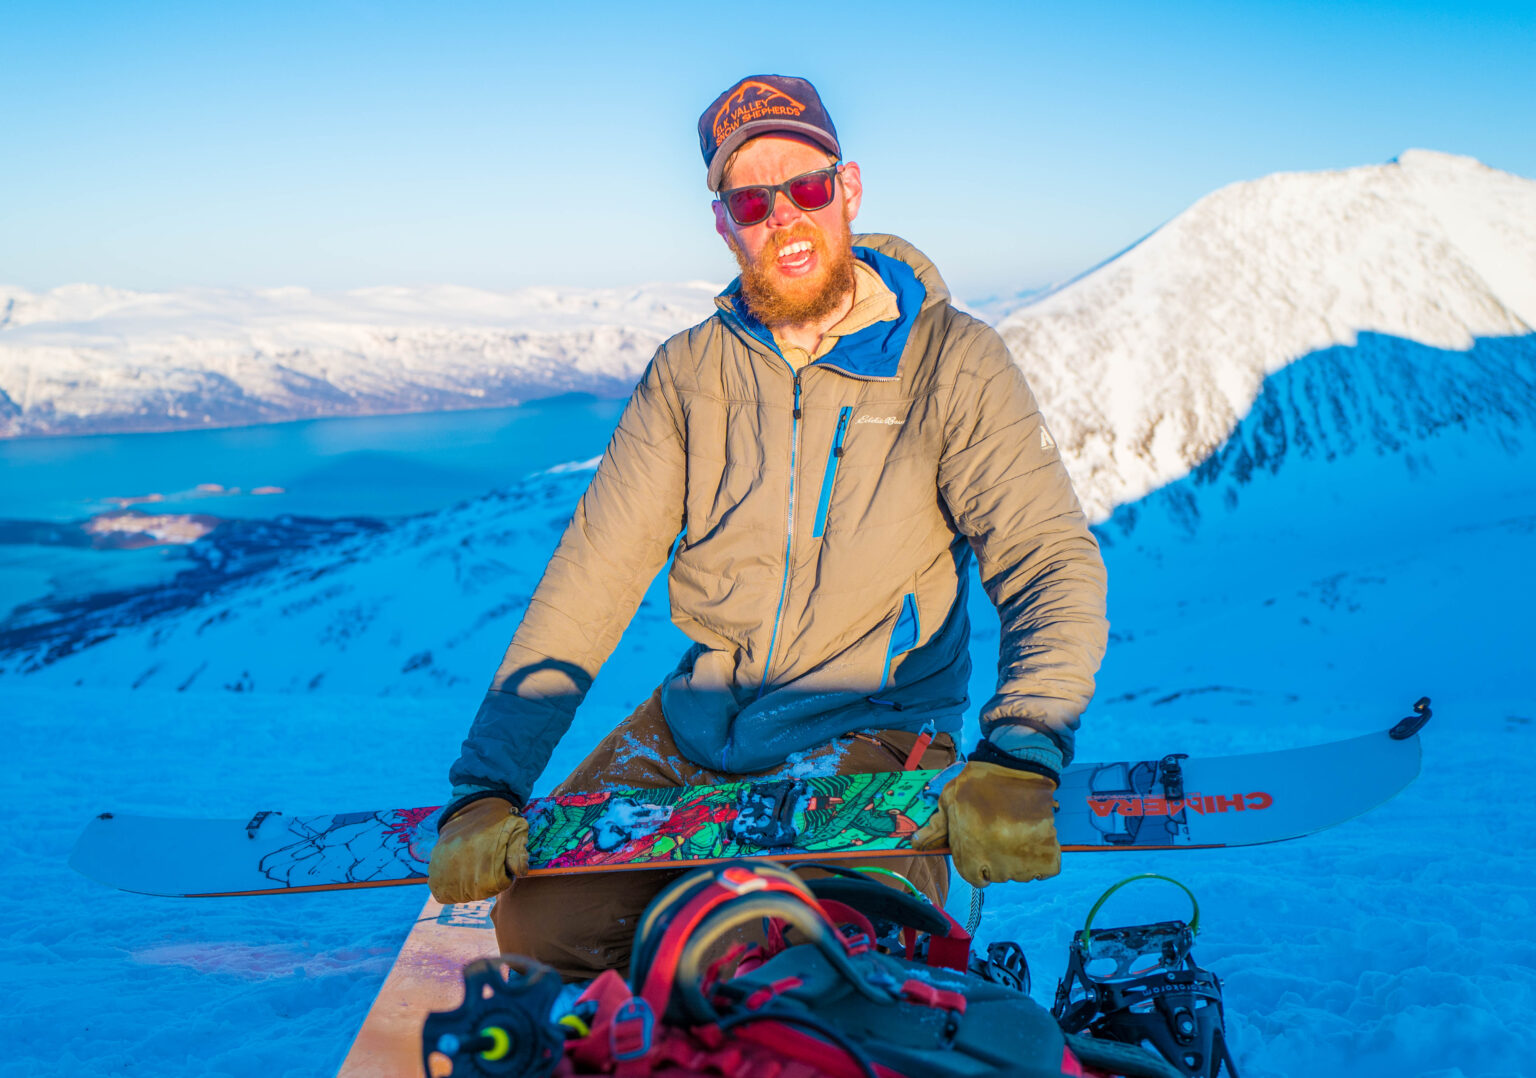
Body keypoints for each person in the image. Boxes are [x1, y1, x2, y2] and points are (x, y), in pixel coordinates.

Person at [428, 74, 1108, 979]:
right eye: (752, 198)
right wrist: (489, 783)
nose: (783, 216)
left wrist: (1022, 744)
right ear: (723, 220)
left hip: (872, 726)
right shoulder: (691, 374)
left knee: (785, 956)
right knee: (543, 928)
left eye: (808, 188)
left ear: (849, 189)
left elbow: (1047, 560)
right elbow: (589, 582)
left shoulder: (951, 363)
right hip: (699, 730)